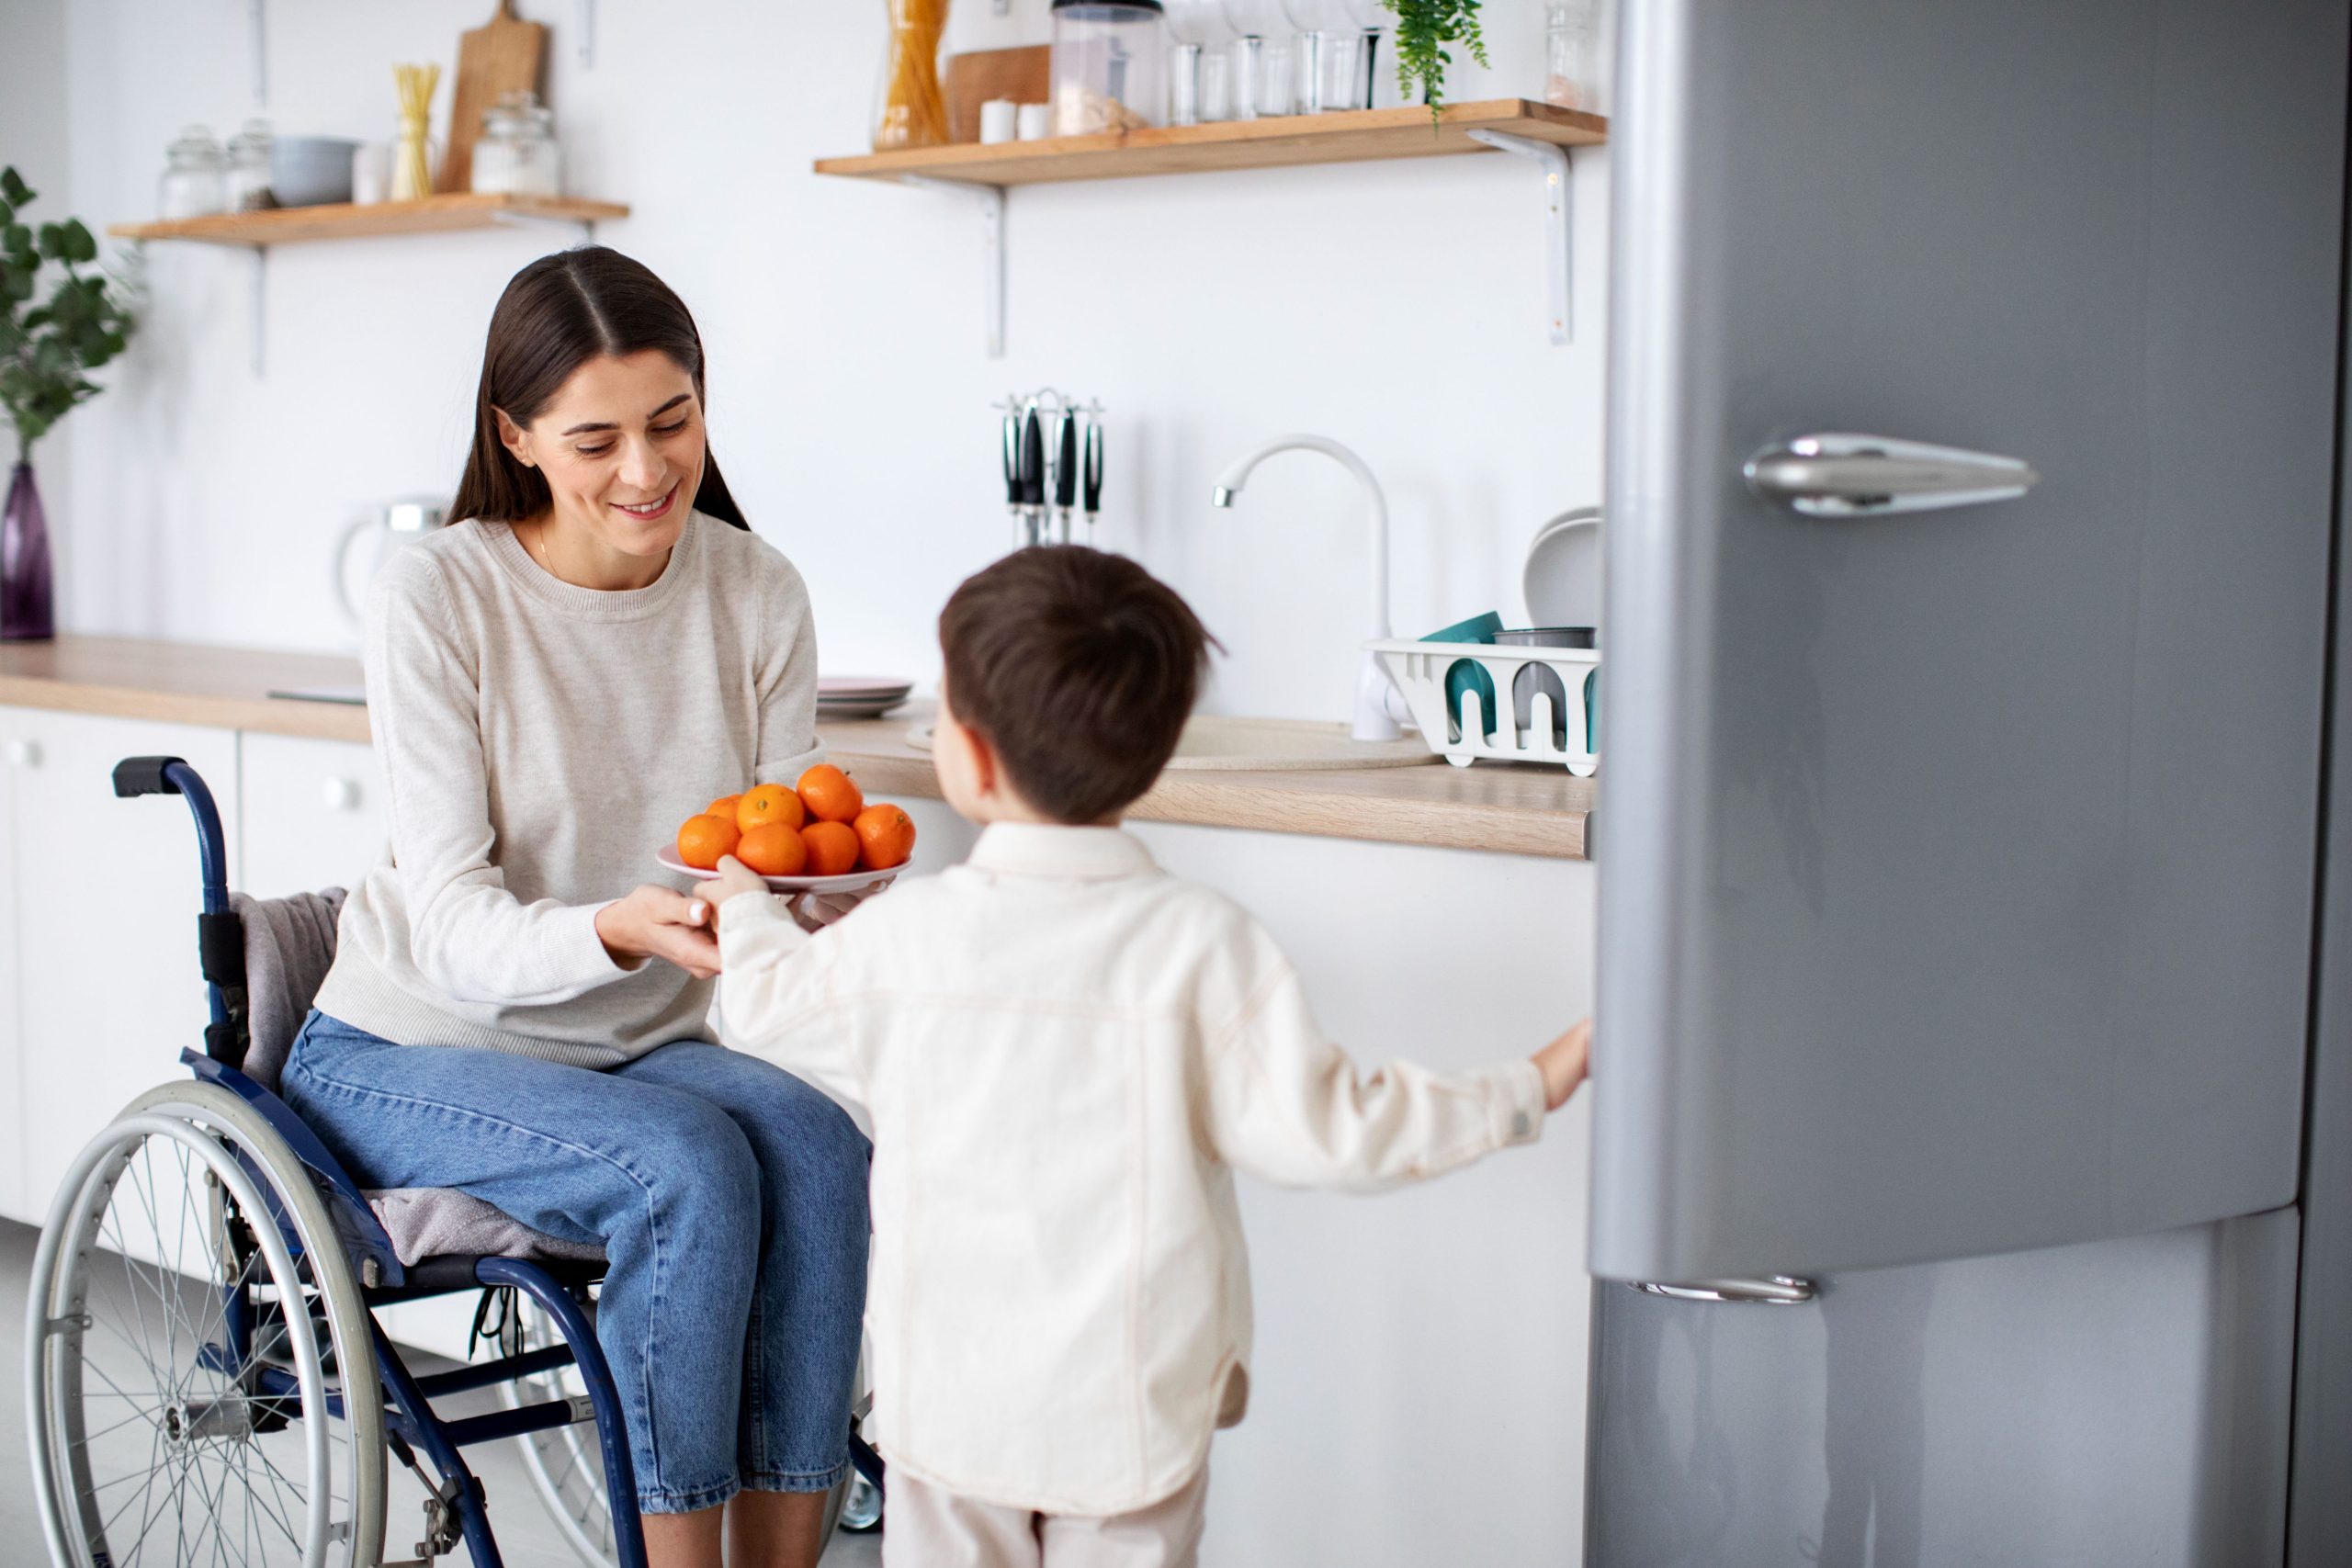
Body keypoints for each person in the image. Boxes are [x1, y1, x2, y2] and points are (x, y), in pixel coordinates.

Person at [696, 545, 1590, 1567]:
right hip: (1129, 1416)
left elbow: (763, 1008)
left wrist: (748, 908)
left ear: (972, 762)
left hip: (951, 1414)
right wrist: (1529, 1084)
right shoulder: (1204, 946)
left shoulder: (908, 939)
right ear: (1156, 754)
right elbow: (1341, 1131)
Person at [278, 247, 869, 1568]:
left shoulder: (756, 589)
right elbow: (444, 916)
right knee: (686, 1165)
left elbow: (768, 854)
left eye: (673, 422)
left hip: (647, 1038)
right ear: (517, 436)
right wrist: (616, 923)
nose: (647, 471)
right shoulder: (440, 591)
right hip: (412, 1045)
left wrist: (791, 910)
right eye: (595, 439)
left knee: (823, 1145)